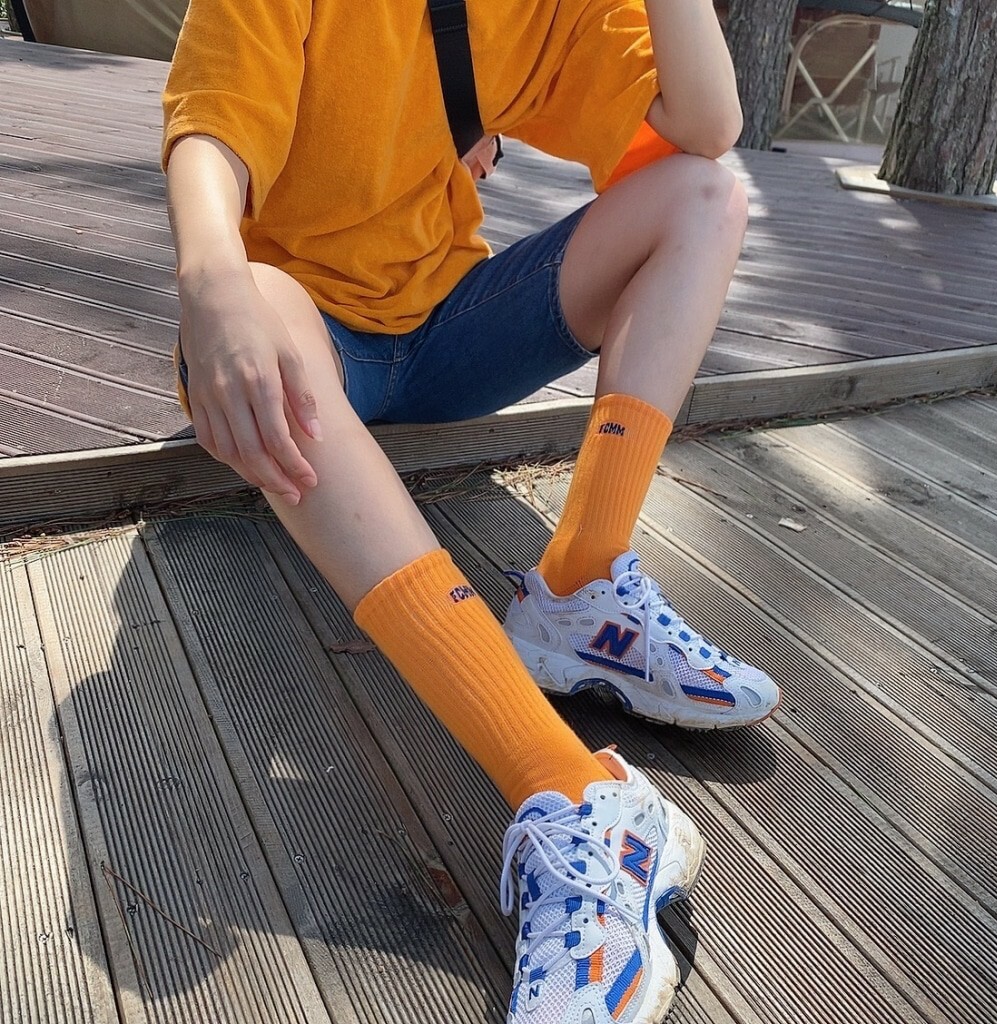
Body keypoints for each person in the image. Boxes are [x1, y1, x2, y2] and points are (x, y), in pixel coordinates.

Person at [162, 2, 779, 1021]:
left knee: (705, 194)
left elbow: (704, 127)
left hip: (448, 325)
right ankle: (575, 790)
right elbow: (211, 128)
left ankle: (581, 584)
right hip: (300, 333)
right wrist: (211, 281)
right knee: (257, 299)